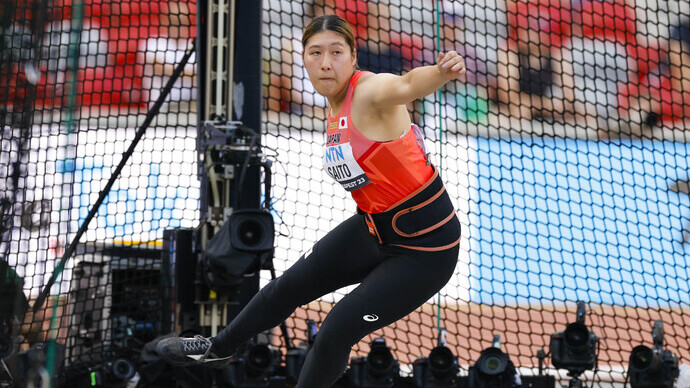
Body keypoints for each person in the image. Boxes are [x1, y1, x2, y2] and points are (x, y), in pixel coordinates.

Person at [156, 14, 464, 387]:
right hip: (373, 228)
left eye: (336, 52)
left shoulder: (369, 92)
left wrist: (441, 72)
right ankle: (219, 348)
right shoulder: (333, 104)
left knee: (334, 331)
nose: (325, 62)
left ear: (353, 57)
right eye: (315, 53)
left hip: (425, 250)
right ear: (303, 59)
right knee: (287, 287)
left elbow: (406, 84)